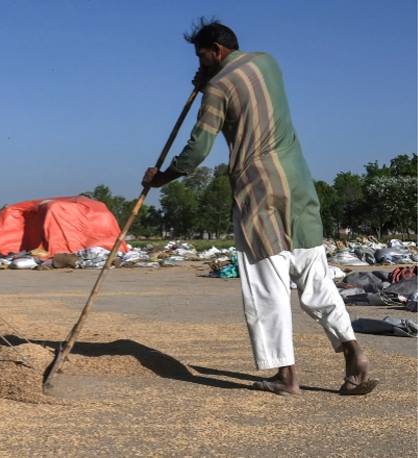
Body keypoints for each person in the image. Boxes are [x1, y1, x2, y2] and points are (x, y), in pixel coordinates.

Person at [142, 19, 377, 395]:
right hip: (298, 186)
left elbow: (198, 149)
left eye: (201, 57)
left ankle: (286, 376)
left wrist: (162, 178)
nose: (199, 64)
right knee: (315, 278)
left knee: (267, 287)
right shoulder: (268, 62)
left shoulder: (217, 88)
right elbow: (246, 96)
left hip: (258, 193)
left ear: (216, 51)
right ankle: (352, 349)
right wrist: (208, 81)